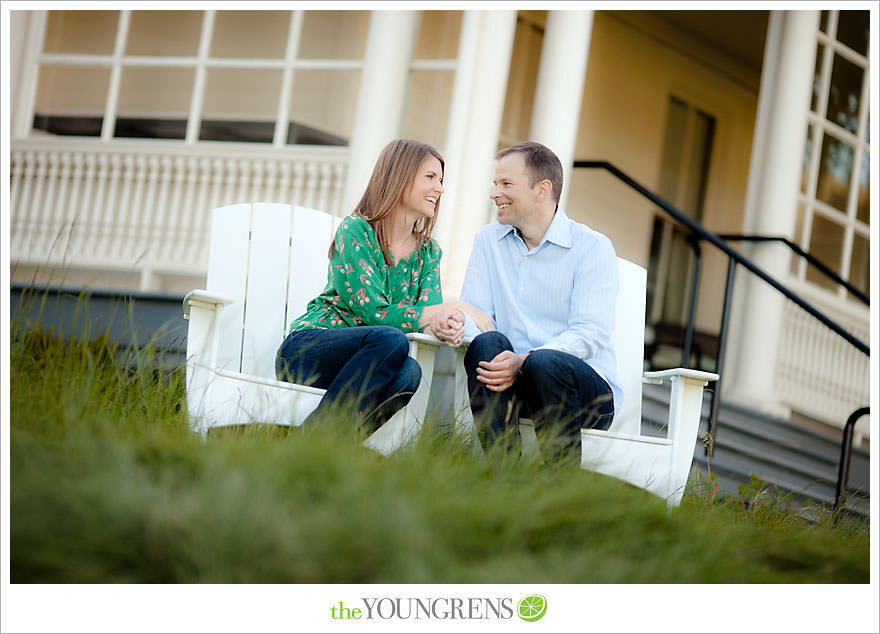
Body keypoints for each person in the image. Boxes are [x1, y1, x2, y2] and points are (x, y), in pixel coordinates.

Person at [275, 138, 485, 433]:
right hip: (308, 353)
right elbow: (375, 313)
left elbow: (428, 316)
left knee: (409, 374)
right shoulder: (356, 231)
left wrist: (443, 324)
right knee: (391, 340)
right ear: (399, 177)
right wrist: (451, 308)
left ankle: (315, 448)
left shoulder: (428, 253)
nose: (439, 189)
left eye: (441, 180)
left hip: (370, 366)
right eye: (430, 178)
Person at [459, 141, 621, 457]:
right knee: (485, 346)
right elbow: (475, 317)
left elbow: (591, 332)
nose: (494, 193)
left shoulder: (591, 248)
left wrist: (526, 359)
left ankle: (556, 490)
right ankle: (504, 478)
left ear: (541, 190)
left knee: (544, 362)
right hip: (509, 387)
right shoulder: (487, 242)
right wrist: (458, 324)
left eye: (506, 184)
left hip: (582, 394)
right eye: (495, 184)